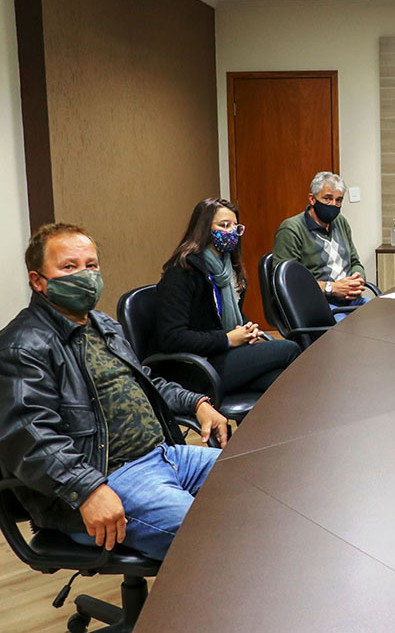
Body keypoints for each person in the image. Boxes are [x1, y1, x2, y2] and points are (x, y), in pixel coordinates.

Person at [0, 223, 230, 561]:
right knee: (218, 537)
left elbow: (145, 381)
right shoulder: (21, 346)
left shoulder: (102, 325)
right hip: (107, 479)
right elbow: (29, 438)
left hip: (166, 456)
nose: (85, 275)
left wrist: (195, 403)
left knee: (263, 483)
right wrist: (88, 489)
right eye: (69, 267)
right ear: (38, 281)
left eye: (91, 265)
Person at [158, 198, 300, 395]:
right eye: (224, 225)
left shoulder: (228, 269)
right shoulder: (181, 273)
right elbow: (172, 338)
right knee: (290, 348)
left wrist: (247, 328)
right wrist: (227, 339)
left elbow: (228, 316)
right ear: (204, 228)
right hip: (196, 367)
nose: (232, 232)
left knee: (279, 381)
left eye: (235, 226)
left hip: (223, 355)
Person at [274, 172, 369, 321]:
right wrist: (331, 288)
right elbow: (288, 282)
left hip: (350, 300)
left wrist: (357, 279)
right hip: (317, 305)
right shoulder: (291, 229)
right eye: (327, 198)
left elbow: (355, 262)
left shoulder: (340, 222)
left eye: (338, 200)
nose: (333, 205)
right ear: (312, 199)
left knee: (383, 317)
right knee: (352, 332)